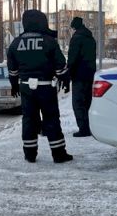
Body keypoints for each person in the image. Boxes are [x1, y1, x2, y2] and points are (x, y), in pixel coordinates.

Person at [7, 9, 73, 164]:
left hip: (25, 88)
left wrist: (14, 85)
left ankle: (30, 154)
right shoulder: (49, 41)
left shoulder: (15, 43)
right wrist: (65, 80)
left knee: (29, 119)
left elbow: (12, 69)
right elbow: (60, 65)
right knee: (51, 118)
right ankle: (58, 154)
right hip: (46, 87)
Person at [67, 17, 96, 137]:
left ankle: (83, 129)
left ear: (74, 27)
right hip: (90, 74)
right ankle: (89, 127)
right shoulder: (91, 38)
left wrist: (68, 73)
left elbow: (72, 58)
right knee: (88, 101)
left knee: (78, 103)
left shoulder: (76, 38)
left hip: (78, 76)